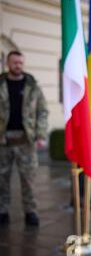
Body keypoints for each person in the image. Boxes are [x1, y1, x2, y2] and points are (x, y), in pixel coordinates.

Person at [0, 50, 48, 227]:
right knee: (1, 180)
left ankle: (31, 212)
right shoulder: (1, 84)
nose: (18, 66)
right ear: (7, 63)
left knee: (29, 180)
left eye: (21, 63)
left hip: (26, 140)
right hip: (3, 141)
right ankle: (2, 211)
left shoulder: (32, 85)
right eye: (15, 63)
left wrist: (41, 135)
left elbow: (42, 111)